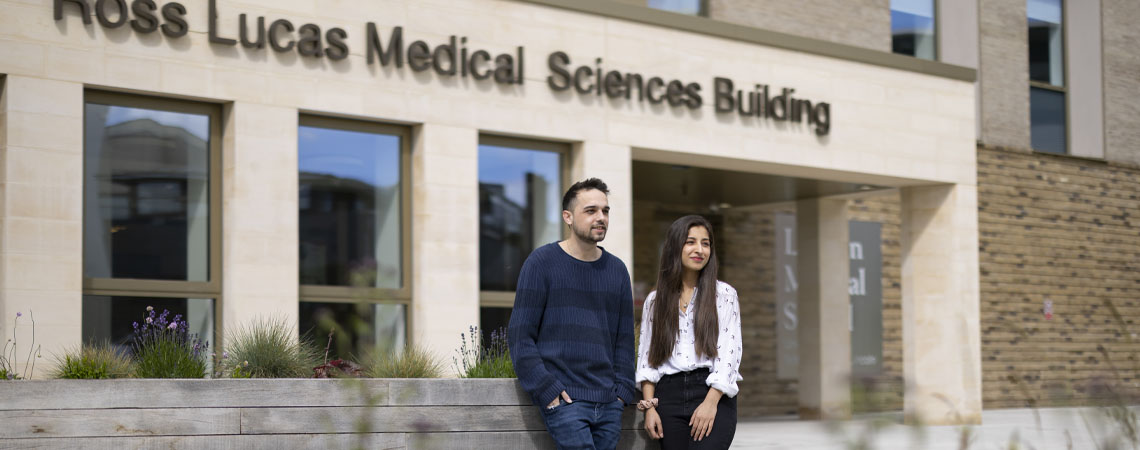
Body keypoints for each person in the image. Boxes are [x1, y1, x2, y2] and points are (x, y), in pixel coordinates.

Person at [508, 177, 636, 450]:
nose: (600, 217)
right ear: (568, 216)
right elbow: (520, 336)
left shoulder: (617, 270)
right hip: (566, 401)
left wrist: (622, 393)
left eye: (605, 211)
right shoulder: (541, 263)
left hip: (610, 405)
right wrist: (547, 390)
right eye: (590, 211)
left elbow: (624, 341)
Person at [635, 215, 742, 449]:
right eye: (691, 241)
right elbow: (647, 360)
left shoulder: (724, 295)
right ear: (675, 246)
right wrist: (650, 408)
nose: (699, 249)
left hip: (712, 393)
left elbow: (729, 355)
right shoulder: (655, 300)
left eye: (705, 243)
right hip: (668, 398)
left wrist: (710, 403)